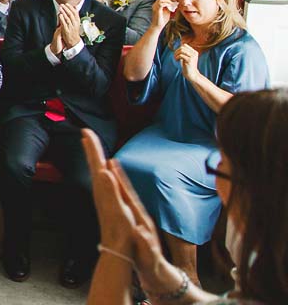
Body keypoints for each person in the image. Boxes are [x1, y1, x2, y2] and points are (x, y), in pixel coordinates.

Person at [115, 0, 269, 284]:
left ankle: (187, 275)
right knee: (120, 164)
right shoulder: (174, 34)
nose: (185, 3)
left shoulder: (241, 47)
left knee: (163, 174)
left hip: (216, 144)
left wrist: (196, 77)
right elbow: (133, 75)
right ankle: (143, 264)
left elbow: (243, 114)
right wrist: (156, 27)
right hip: (169, 132)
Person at [0, 0, 126, 288]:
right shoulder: (25, 10)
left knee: (86, 179)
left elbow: (98, 85)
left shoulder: (110, 21)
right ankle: (16, 244)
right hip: (31, 110)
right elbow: (10, 69)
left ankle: (78, 254)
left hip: (82, 117)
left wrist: (76, 49)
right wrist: (51, 53)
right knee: (14, 164)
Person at [85, 89, 288, 305]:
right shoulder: (252, 238)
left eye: (222, 164)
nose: (217, 177)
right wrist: (160, 273)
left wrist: (116, 249)